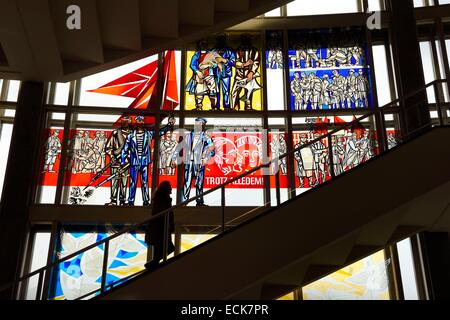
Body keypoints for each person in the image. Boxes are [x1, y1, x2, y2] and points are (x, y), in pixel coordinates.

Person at [122, 115, 175, 206]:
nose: (140, 123)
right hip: (134, 162)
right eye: (138, 121)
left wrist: (169, 125)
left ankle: (146, 201)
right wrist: (123, 162)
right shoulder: (131, 136)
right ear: (136, 123)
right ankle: (131, 201)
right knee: (132, 182)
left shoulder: (148, 134)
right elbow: (125, 149)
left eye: (142, 121)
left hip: (144, 161)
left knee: (145, 182)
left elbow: (161, 132)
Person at [171, 118, 215, 206]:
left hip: (199, 163)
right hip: (189, 163)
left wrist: (206, 158)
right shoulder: (188, 136)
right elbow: (179, 147)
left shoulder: (207, 138)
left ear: (203, 125)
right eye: (196, 123)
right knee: (187, 183)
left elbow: (212, 151)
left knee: (199, 184)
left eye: (200, 124)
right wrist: (173, 159)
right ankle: (183, 202)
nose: (197, 125)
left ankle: (199, 202)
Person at [144, 181, 175, 270]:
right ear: (166, 188)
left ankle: (153, 265)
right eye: (170, 187)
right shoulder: (163, 199)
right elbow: (163, 213)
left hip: (159, 229)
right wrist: (169, 225)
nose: (171, 189)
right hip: (160, 229)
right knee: (168, 248)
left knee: (160, 249)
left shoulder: (160, 198)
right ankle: (153, 264)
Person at [104, 116, 132, 206]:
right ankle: (113, 200)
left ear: (130, 122)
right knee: (114, 181)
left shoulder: (132, 134)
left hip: (127, 162)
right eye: (123, 121)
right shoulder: (115, 133)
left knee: (124, 182)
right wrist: (112, 156)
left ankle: (123, 200)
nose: (125, 123)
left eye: (127, 121)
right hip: (115, 161)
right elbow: (108, 147)